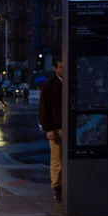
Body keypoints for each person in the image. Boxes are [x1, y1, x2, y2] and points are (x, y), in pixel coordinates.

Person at [39, 57, 64, 204]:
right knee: (56, 160)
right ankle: (58, 189)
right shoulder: (49, 86)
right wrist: (47, 128)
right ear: (55, 68)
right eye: (60, 67)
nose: (63, 69)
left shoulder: (72, 82)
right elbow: (43, 109)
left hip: (72, 128)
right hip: (56, 128)